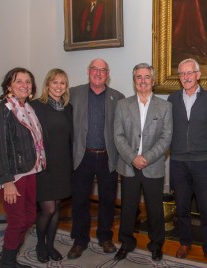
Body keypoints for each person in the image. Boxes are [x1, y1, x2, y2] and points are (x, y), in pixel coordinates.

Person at [167, 58, 207, 266]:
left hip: (203, 162)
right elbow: (166, 128)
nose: (186, 77)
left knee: (206, 208)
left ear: (198, 75)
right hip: (178, 161)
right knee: (181, 206)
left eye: (190, 73)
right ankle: (184, 242)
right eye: (182, 74)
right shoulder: (171, 100)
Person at [113, 63, 172, 262]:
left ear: (153, 81)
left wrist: (146, 158)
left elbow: (166, 138)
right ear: (134, 81)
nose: (143, 81)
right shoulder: (122, 105)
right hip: (129, 166)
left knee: (155, 210)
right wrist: (132, 158)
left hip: (152, 166)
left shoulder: (165, 107)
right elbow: (118, 136)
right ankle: (126, 243)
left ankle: (156, 245)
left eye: (147, 77)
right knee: (128, 209)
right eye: (139, 77)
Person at [0, 68, 46, 268]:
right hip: (13, 175)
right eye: (18, 81)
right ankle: (7, 262)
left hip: (30, 169)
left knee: (29, 216)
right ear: (9, 86)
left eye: (28, 81)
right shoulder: (0, 109)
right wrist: (7, 181)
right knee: (17, 220)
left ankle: (11, 253)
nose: (24, 85)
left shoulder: (28, 108)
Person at [67, 58, 125, 259]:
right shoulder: (73, 93)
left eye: (103, 70)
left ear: (108, 74)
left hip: (107, 157)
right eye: (94, 69)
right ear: (88, 71)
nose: (98, 73)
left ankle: (104, 237)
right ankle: (80, 239)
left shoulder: (118, 97)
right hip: (82, 156)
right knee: (80, 200)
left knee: (108, 199)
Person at [30, 69, 73, 263]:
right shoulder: (35, 106)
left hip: (63, 165)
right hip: (44, 166)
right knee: (47, 209)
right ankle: (40, 244)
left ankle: (50, 245)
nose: (58, 86)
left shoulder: (68, 107)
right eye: (55, 82)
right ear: (47, 84)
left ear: (66, 87)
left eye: (62, 83)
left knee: (56, 208)